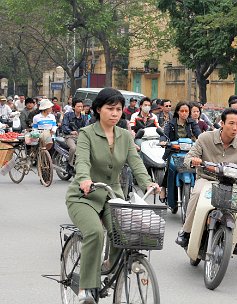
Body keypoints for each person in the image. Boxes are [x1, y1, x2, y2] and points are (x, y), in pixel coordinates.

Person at [65, 87, 159, 304]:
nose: (115, 113)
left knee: (124, 232)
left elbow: (136, 163)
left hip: (111, 196)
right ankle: (86, 289)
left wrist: (148, 183)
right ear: (99, 109)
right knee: (96, 233)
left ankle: (108, 265)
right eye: (110, 108)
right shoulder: (86, 134)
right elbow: (82, 162)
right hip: (84, 196)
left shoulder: (125, 135)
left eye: (118, 109)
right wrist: (84, 179)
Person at [175, 108, 237, 255]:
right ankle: (186, 231)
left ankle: (233, 240)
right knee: (196, 193)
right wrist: (194, 161)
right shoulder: (205, 138)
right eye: (231, 123)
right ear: (222, 123)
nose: (235, 128)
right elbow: (189, 157)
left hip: (230, 183)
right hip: (206, 179)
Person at [159, 101, 202, 202]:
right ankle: (164, 188)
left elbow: (199, 135)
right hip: (174, 151)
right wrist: (163, 141)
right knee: (170, 167)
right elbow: (164, 135)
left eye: (186, 111)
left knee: (199, 167)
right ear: (178, 112)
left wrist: (203, 140)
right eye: (182, 111)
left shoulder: (192, 123)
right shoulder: (171, 124)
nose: (184, 113)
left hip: (190, 152)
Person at [62, 99, 88, 174]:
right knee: (73, 148)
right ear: (73, 107)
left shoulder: (84, 117)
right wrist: (71, 131)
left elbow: (86, 127)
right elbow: (64, 126)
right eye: (78, 106)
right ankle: (69, 165)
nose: (80, 108)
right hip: (69, 136)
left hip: (80, 137)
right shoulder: (68, 115)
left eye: (81, 106)